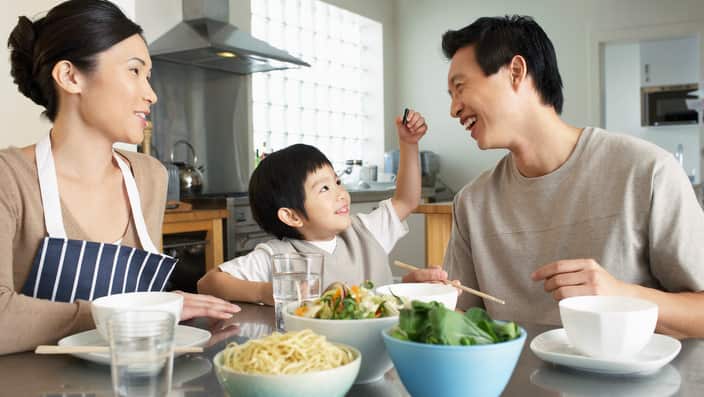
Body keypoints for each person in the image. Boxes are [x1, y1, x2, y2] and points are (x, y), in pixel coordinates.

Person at [404, 15, 704, 338]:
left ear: (516, 72)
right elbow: (465, 321)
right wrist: (427, 304)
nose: (453, 109)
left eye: (460, 87)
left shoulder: (648, 173)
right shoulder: (471, 203)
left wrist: (623, 296)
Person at [0, 0, 239, 355]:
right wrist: (136, 313)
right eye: (134, 71)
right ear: (70, 76)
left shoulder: (148, 177)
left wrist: (164, 307)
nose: (151, 93)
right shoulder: (10, 178)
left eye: (148, 75)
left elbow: (148, 312)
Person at [198, 110, 428, 304]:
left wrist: (408, 144)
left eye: (337, 182)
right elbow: (208, 283)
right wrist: (265, 291)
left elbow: (406, 201)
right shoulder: (278, 256)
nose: (340, 193)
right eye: (324, 189)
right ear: (291, 216)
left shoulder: (366, 231)